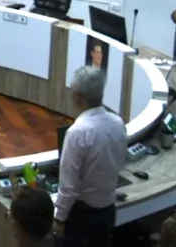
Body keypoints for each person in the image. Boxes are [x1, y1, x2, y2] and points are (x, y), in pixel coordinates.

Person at [53, 66, 127, 245]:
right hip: (107, 212)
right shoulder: (118, 123)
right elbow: (119, 164)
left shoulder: (77, 132)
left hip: (80, 218)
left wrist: (59, 219)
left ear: (78, 97)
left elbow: (68, 188)